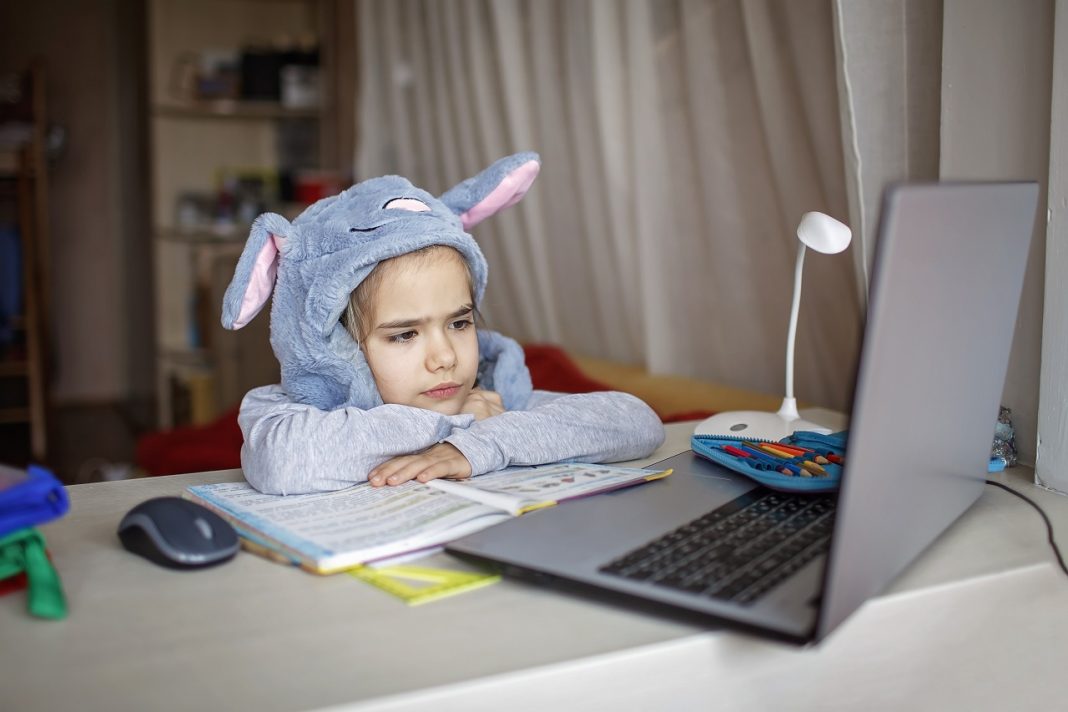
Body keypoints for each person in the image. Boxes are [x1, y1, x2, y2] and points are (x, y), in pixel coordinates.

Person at [220, 153, 664, 495]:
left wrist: (481, 443)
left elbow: (637, 422)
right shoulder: (291, 411)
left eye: (458, 324)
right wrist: (451, 426)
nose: (446, 358)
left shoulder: (491, 396)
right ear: (337, 346)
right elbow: (286, 462)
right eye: (405, 334)